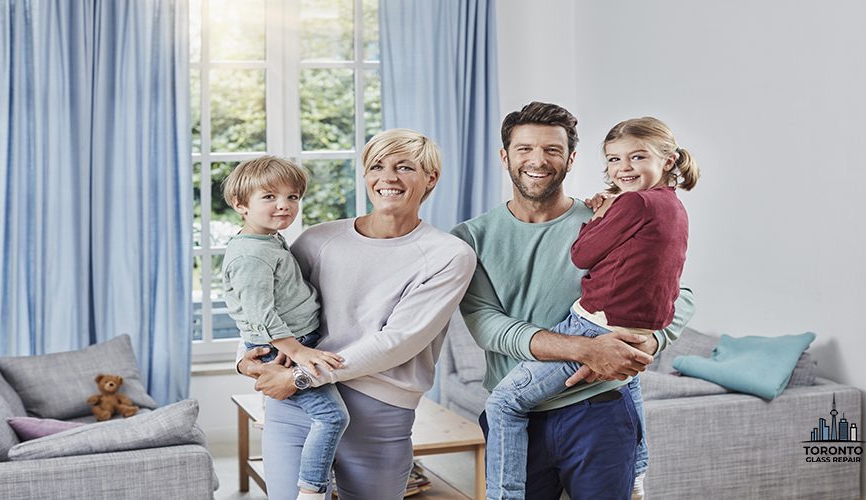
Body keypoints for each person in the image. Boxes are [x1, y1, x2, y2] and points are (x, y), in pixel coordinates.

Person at [451, 102, 696, 500]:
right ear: (504, 156)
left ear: (571, 159)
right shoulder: (471, 237)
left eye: (552, 149)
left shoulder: (609, 218)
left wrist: (646, 341)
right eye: (524, 149)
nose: (538, 160)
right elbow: (484, 322)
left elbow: (678, 294)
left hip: (598, 409)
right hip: (522, 418)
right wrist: (586, 349)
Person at [235, 129, 477, 500]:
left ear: (431, 177)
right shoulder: (318, 239)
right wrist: (244, 361)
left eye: (404, 167)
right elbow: (267, 302)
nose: (388, 177)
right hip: (295, 408)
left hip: (377, 411)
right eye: (376, 166)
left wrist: (300, 377)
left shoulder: (449, 255)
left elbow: (398, 342)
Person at [221, 155, 348, 500]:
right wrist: (298, 351)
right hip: (286, 346)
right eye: (269, 197)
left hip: (290, 340)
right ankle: (311, 490)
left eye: (292, 197)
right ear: (240, 204)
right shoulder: (251, 255)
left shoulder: (268, 239)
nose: (284, 206)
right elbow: (260, 315)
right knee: (333, 418)